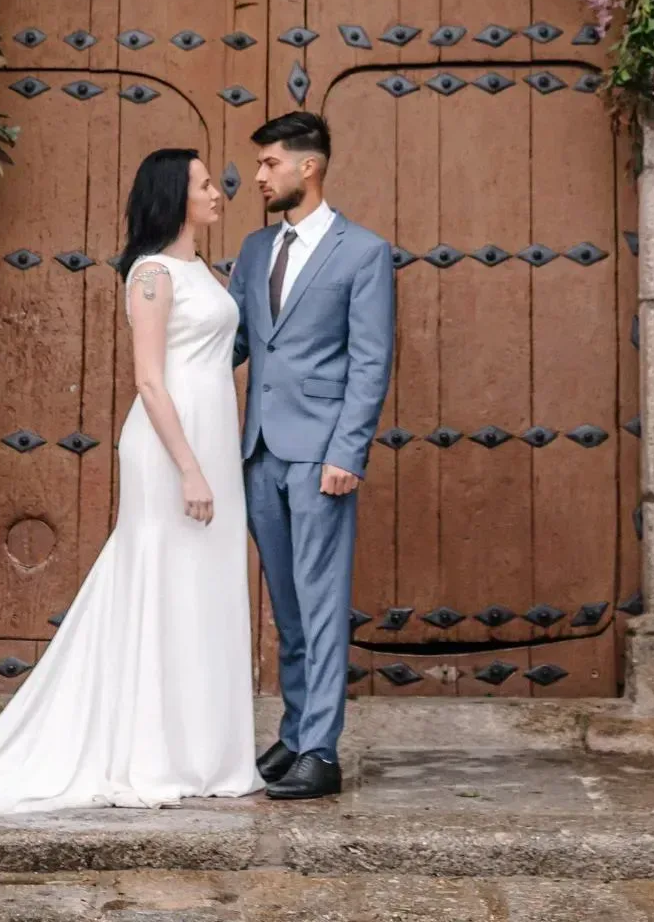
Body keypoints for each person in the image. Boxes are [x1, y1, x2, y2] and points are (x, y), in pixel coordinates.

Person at [0, 148, 261, 813]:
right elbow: (149, 378)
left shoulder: (203, 269)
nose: (217, 191)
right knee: (161, 580)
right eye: (205, 184)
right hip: (173, 447)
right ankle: (151, 752)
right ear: (175, 195)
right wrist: (190, 466)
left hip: (212, 442)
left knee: (203, 586)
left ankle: (205, 752)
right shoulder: (150, 275)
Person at [228, 111, 396, 801]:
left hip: (322, 453)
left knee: (322, 604)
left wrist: (347, 451)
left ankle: (321, 752)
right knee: (289, 607)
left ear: (309, 166)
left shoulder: (364, 252)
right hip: (261, 450)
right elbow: (234, 346)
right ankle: (296, 733)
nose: (259, 176)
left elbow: (371, 359)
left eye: (269, 163)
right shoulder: (252, 248)